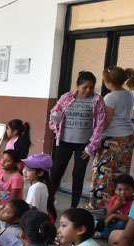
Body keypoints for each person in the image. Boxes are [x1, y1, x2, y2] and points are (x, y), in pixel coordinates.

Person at [49, 71, 106, 208]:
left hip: (84, 146)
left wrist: (91, 147)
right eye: (85, 87)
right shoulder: (66, 97)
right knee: (56, 172)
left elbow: (100, 125)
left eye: (91, 87)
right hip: (64, 141)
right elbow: (54, 114)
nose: (88, 90)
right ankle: (48, 202)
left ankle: (73, 207)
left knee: (78, 175)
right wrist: (56, 124)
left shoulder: (97, 101)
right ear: (77, 85)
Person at [88, 66, 134, 209]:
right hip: (128, 137)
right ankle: (120, 205)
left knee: (102, 173)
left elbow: (106, 121)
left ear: (108, 81)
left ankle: (100, 206)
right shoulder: (129, 94)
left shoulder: (110, 97)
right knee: (121, 173)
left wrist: (96, 139)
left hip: (112, 139)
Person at [0, 150, 24, 219]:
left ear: (16, 163)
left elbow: (12, 202)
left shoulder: (16, 178)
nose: (3, 162)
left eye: (8, 161)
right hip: (1, 205)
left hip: (12, 208)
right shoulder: (0, 173)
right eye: (3, 158)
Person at [98, 174, 134, 240]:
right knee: (96, 218)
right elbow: (107, 216)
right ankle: (105, 234)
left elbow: (131, 219)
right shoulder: (114, 199)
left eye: (127, 189)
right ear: (115, 191)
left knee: (122, 223)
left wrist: (115, 215)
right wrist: (115, 207)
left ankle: (103, 234)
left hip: (121, 227)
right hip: (110, 224)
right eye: (119, 189)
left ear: (133, 190)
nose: (123, 192)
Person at [21, 153, 55, 218]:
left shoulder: (35, 188)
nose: (24, 171)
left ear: (40, 173)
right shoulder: (42, 185)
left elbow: (32, 210)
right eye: (24, 167)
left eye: (29, 170)